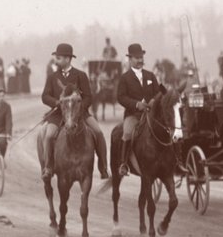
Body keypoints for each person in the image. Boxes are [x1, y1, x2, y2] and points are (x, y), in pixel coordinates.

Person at [40, 42, 108, 182]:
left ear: (67, 59)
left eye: (58, 58)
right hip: (58, 115)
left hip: (79, 115)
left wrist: (77, 108)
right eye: (56, 58)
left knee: (98, 132)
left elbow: (89, 97)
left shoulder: (81, 75)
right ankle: (48, 167)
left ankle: (103, 167)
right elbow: (44, 96)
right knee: (48, 136)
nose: (56, 60)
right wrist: (56, 102)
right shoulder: (52, 77)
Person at [115, 43, 162, 174]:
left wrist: (154, 100)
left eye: (141, 57)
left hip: (152, 115)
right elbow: (121, 97)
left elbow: (160, 91)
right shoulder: (124, 78)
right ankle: (123, 164)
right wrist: (136, 104)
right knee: (127, 133)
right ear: (130, 59)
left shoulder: (151, 75)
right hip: (133, 115)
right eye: (136, 58)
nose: (140, 60)